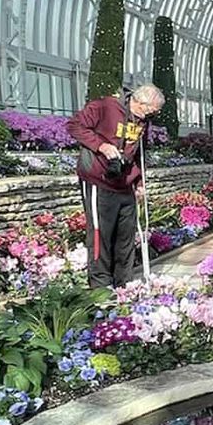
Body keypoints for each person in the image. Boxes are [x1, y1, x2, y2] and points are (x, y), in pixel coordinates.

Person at [68, 81, 165, 287]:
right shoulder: (105, 107)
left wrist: (139, 181)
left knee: (125, 236)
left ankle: (124, 285)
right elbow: (74, 125)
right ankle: (100, 288)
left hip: (125, 183)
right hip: (99, 180)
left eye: (154, 113)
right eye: (149, 110)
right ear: (138, 101)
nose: (149, 116)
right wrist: (101, 146)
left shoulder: (142, 121)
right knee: (100, 235)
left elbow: (139, 150)